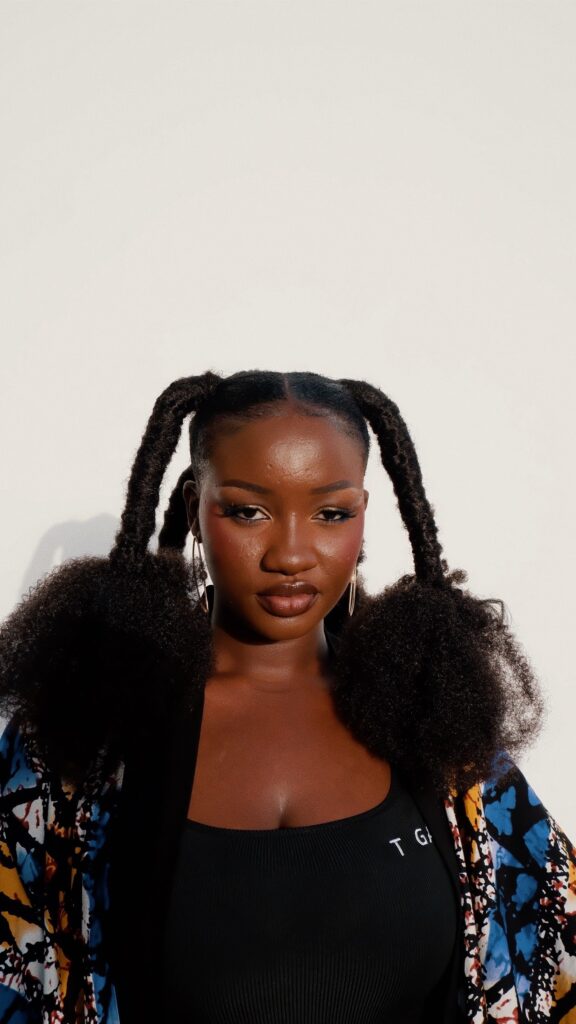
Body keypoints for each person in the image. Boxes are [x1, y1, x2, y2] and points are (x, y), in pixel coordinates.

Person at [0, 369, 574, 1024]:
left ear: (363, 515)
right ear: (195, 509)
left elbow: (553, 948)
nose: (292, 554)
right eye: (248, 511)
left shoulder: (437, 729)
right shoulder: (85, 737)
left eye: (331, 513)